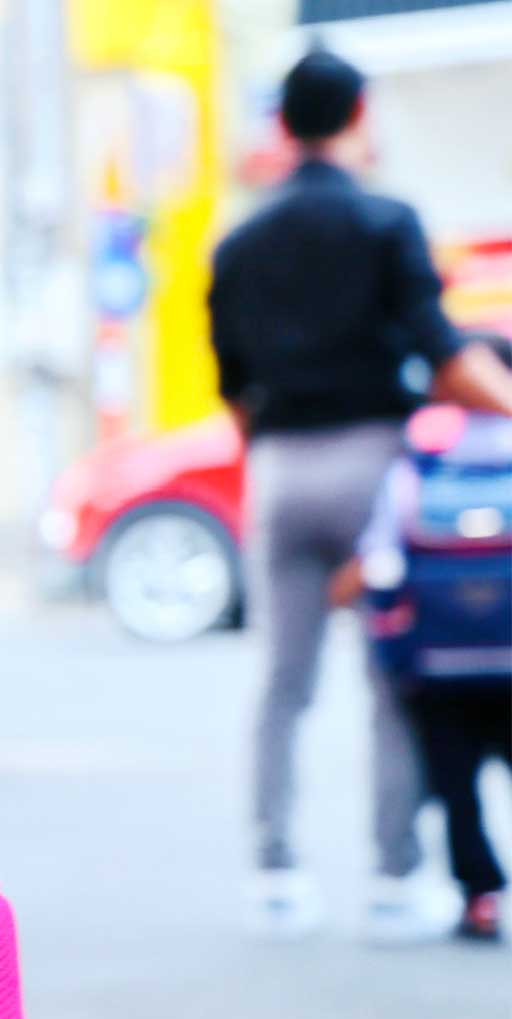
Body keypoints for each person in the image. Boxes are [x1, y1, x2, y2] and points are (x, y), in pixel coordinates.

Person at [207, 47, 512, 942]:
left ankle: (274, 872)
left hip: (279, 467)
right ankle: (392, 879)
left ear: (281, 126)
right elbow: (449, 355)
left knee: (280, 680)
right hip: (377, 465)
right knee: (391, 676)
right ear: (356, 117)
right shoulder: (387, 222)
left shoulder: (238, 243)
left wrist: (270, 446)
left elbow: (230, 384)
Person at [346, 332, 512, 942]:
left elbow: (381, 561)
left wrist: (392, 644)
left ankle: (480, 898)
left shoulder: (419, 459)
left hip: (440, 664)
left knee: (457, 788)